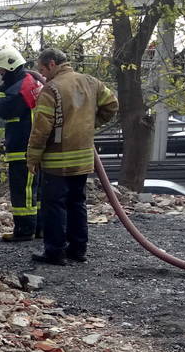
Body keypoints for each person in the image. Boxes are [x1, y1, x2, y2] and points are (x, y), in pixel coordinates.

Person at [26, 48, 118, 265]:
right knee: (77, 203)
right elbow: (112, 105)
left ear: (51, 64)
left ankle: (55, 252)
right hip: (84, 158)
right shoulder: (91, 82)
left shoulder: (51, 89)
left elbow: (41, 128)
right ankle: (78, 250)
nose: (42, 74)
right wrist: (90, 124)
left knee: (54, 205)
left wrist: (32, 157)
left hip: (57, 160)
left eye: (42, 69)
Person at [0, 45, 45, 242]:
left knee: (24, 190)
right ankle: (40, 228)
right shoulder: (28, 83)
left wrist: (0, 93)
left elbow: (2, 109)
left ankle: (24, 230)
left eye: (2, 70)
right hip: (28, 147)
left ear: (11, 67)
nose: (0, 74)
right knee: (35, 190)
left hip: (23, 148)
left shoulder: (21, 88)